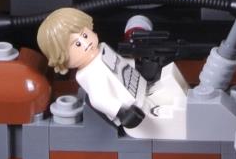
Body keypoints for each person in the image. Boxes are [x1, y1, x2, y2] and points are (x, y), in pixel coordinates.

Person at [36, 8, 189, 139]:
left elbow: (120, 64)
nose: (85, 43)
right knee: (173, 116)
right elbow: (99, 99)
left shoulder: (102, 49)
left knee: (173, 82)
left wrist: (139, 65)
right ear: (61, 57)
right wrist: (122, 113)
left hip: (143, 90)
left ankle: (191, 110)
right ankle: (190, 122)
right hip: (136, 114)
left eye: (84, 35)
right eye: (76, 44)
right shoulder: (90, 73)